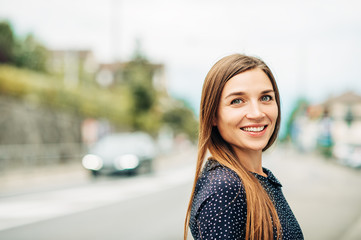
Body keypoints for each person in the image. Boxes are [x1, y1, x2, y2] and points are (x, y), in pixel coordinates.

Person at [184, 54, 303, 240]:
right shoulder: (225, 189)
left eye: (266, 97)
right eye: (237, 101)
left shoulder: (259, 177)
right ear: (213, 115)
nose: (257, 113)